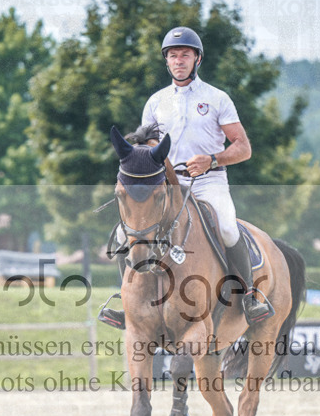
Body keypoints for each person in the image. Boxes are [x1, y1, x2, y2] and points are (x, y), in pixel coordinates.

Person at [99, 26, 270, 329]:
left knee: (229, 227)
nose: (179, 61)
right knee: (125, 234)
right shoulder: (155, 102)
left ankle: (248, 298)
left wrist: (213, 159)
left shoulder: (217, 99)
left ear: (197, 59)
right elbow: (145, 149)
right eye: (173, 56)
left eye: (185, 55)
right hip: (165, 186)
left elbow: (244, 148)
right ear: (167, 61)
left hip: (208, 182)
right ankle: (127, 301)